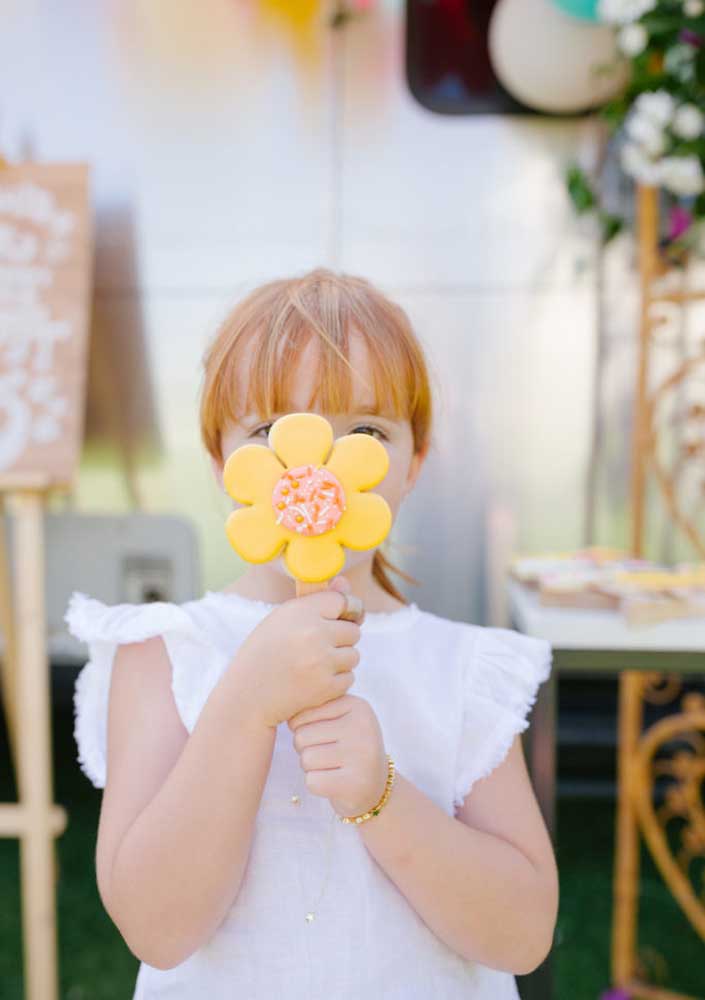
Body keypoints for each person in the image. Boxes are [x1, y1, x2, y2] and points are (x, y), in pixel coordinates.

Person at [64, 268, 558, 999]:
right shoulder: (166, 652)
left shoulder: (462, 670)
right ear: (220, 462)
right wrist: (245, 702)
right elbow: (157, 928)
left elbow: (521, 933)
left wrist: (381, 796)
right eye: (270, 433)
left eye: (365, 432)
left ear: (414, 462)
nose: (316, 468)